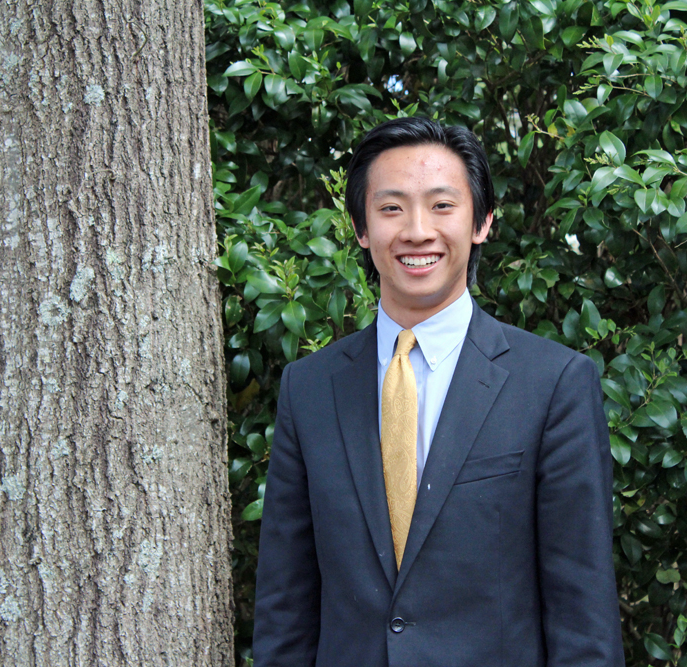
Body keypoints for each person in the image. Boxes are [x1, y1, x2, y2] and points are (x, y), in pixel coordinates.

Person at [252, 116, 625, 667]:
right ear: (361, 228)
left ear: (482, 222)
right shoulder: (308, 389)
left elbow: (583, 615)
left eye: (442, 205)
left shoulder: (553, 384)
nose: (417, 231)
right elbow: (285, 608)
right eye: (391, 208)